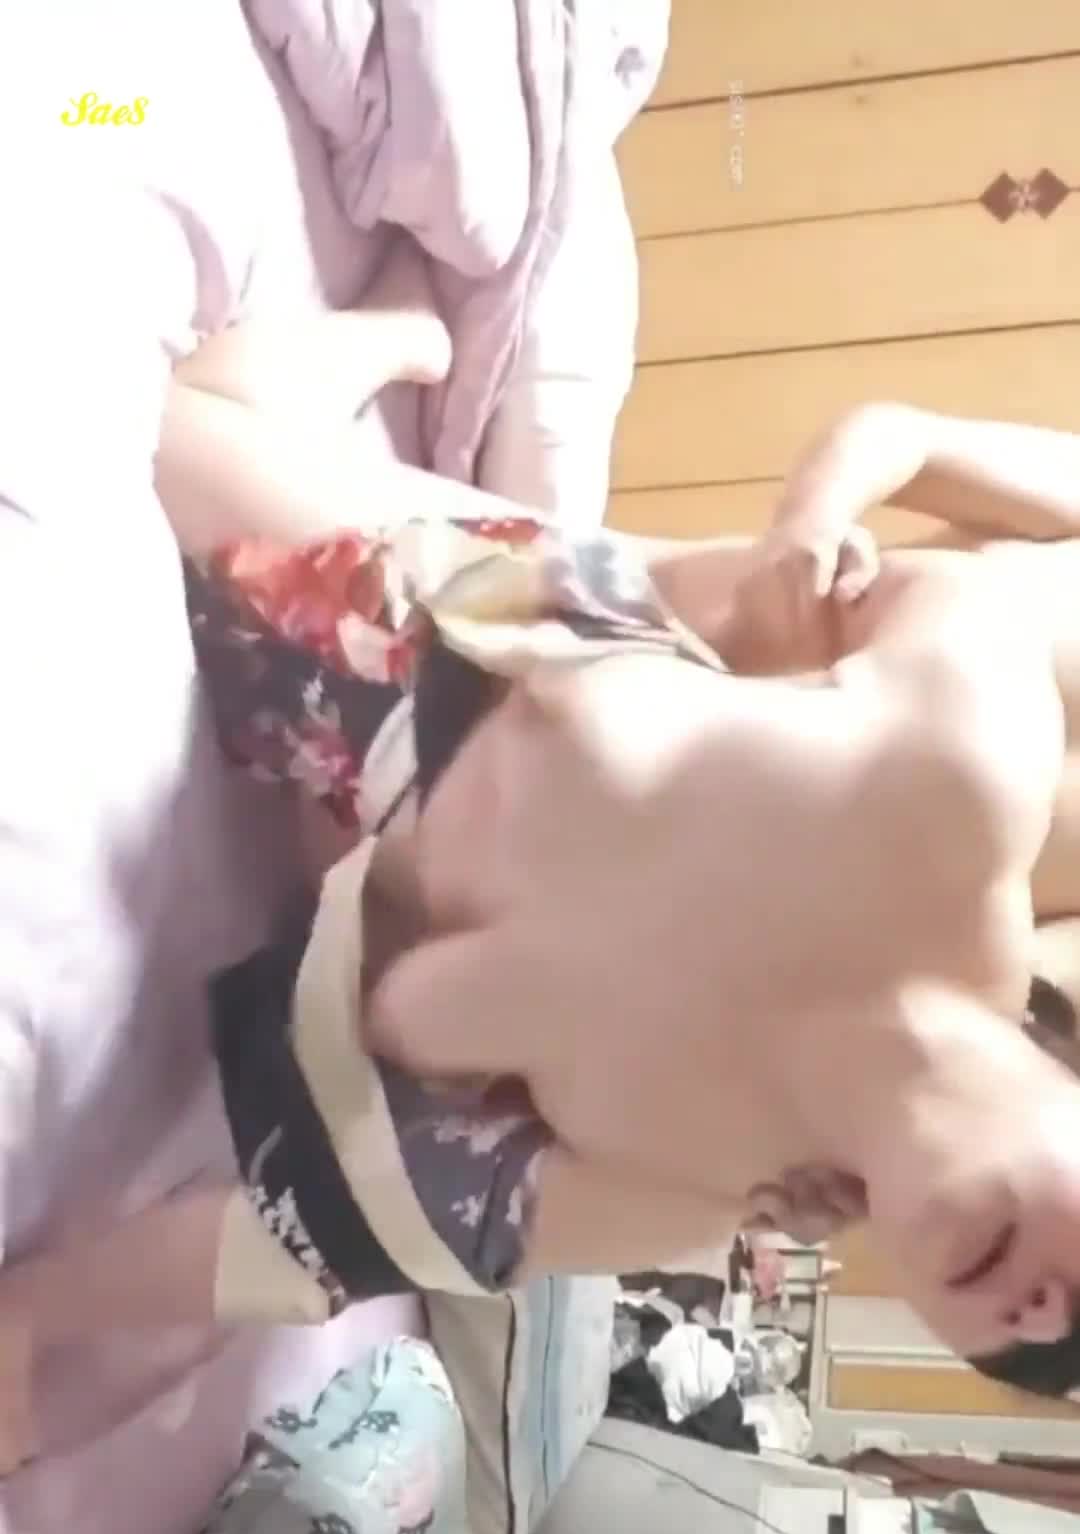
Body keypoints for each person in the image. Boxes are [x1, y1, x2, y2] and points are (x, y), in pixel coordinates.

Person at [156, 300, 1080, 1398]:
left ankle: (89, 1314)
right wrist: (805, 542)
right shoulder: (970, 763)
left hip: (600, 875)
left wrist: (836, 1132)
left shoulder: (756, 1158)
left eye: (1040, 1361)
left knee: (589, 1183)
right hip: (652, 653)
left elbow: (424, 1021)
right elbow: (909, 462)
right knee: (177, 440)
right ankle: (369, 371)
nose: (1042, 1319)